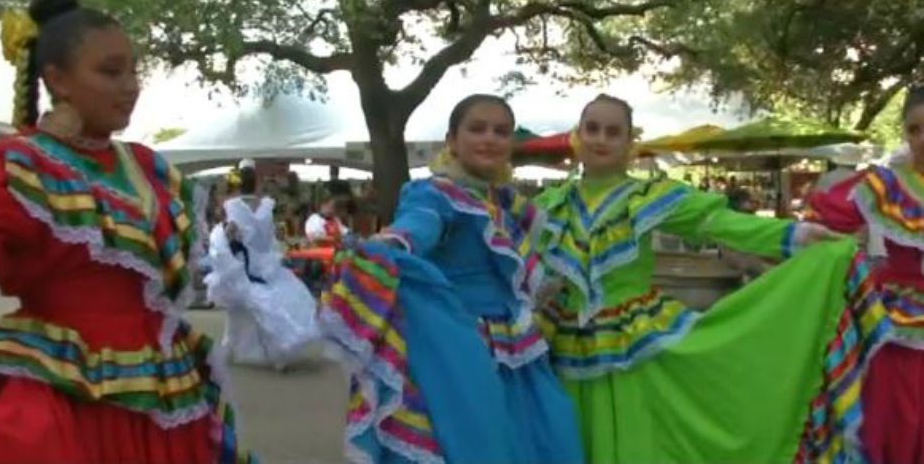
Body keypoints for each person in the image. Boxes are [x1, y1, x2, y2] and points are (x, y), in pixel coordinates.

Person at [0, 0, 254, 463]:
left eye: (134, 70)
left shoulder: (147, 169)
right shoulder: (20, 165)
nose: (130, 85)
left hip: (166, 390)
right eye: (110, 72)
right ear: (58, 80)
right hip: (66, 392)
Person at [534, 93, 888, 464]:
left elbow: (720, 224)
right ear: (577, 134)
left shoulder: (646, 197)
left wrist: (795, 236)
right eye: (593, 129)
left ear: (629, 143)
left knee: (632, 433)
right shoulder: (551, 204)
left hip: (631, 341)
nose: (601, 139)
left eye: (613, 132)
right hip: (564, 339)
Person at [319, 94, 582, 464]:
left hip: (513, 342)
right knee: (474, 439)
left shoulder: (509, 202)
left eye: (500, 131)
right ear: (451, 140)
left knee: (537, 432)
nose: (489, 138)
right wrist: (395, 240)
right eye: (476, 129)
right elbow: (421, 223)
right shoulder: (436, 193)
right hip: (456, 342)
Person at [807, 85, 924, 464]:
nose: (923, 138)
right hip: (897, 322)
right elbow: (824, 219)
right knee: (894, 415)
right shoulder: (884, 185)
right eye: (914, 129)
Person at [204, 159, 320, 369]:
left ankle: (233, 348)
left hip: (241, 265)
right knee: (265, 306)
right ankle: (272, 352)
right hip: (265, 263)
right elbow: (269, 237)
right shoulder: (266, 205)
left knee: (240, 310)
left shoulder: (233, 207)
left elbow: (229, 232)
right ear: (256, 182)